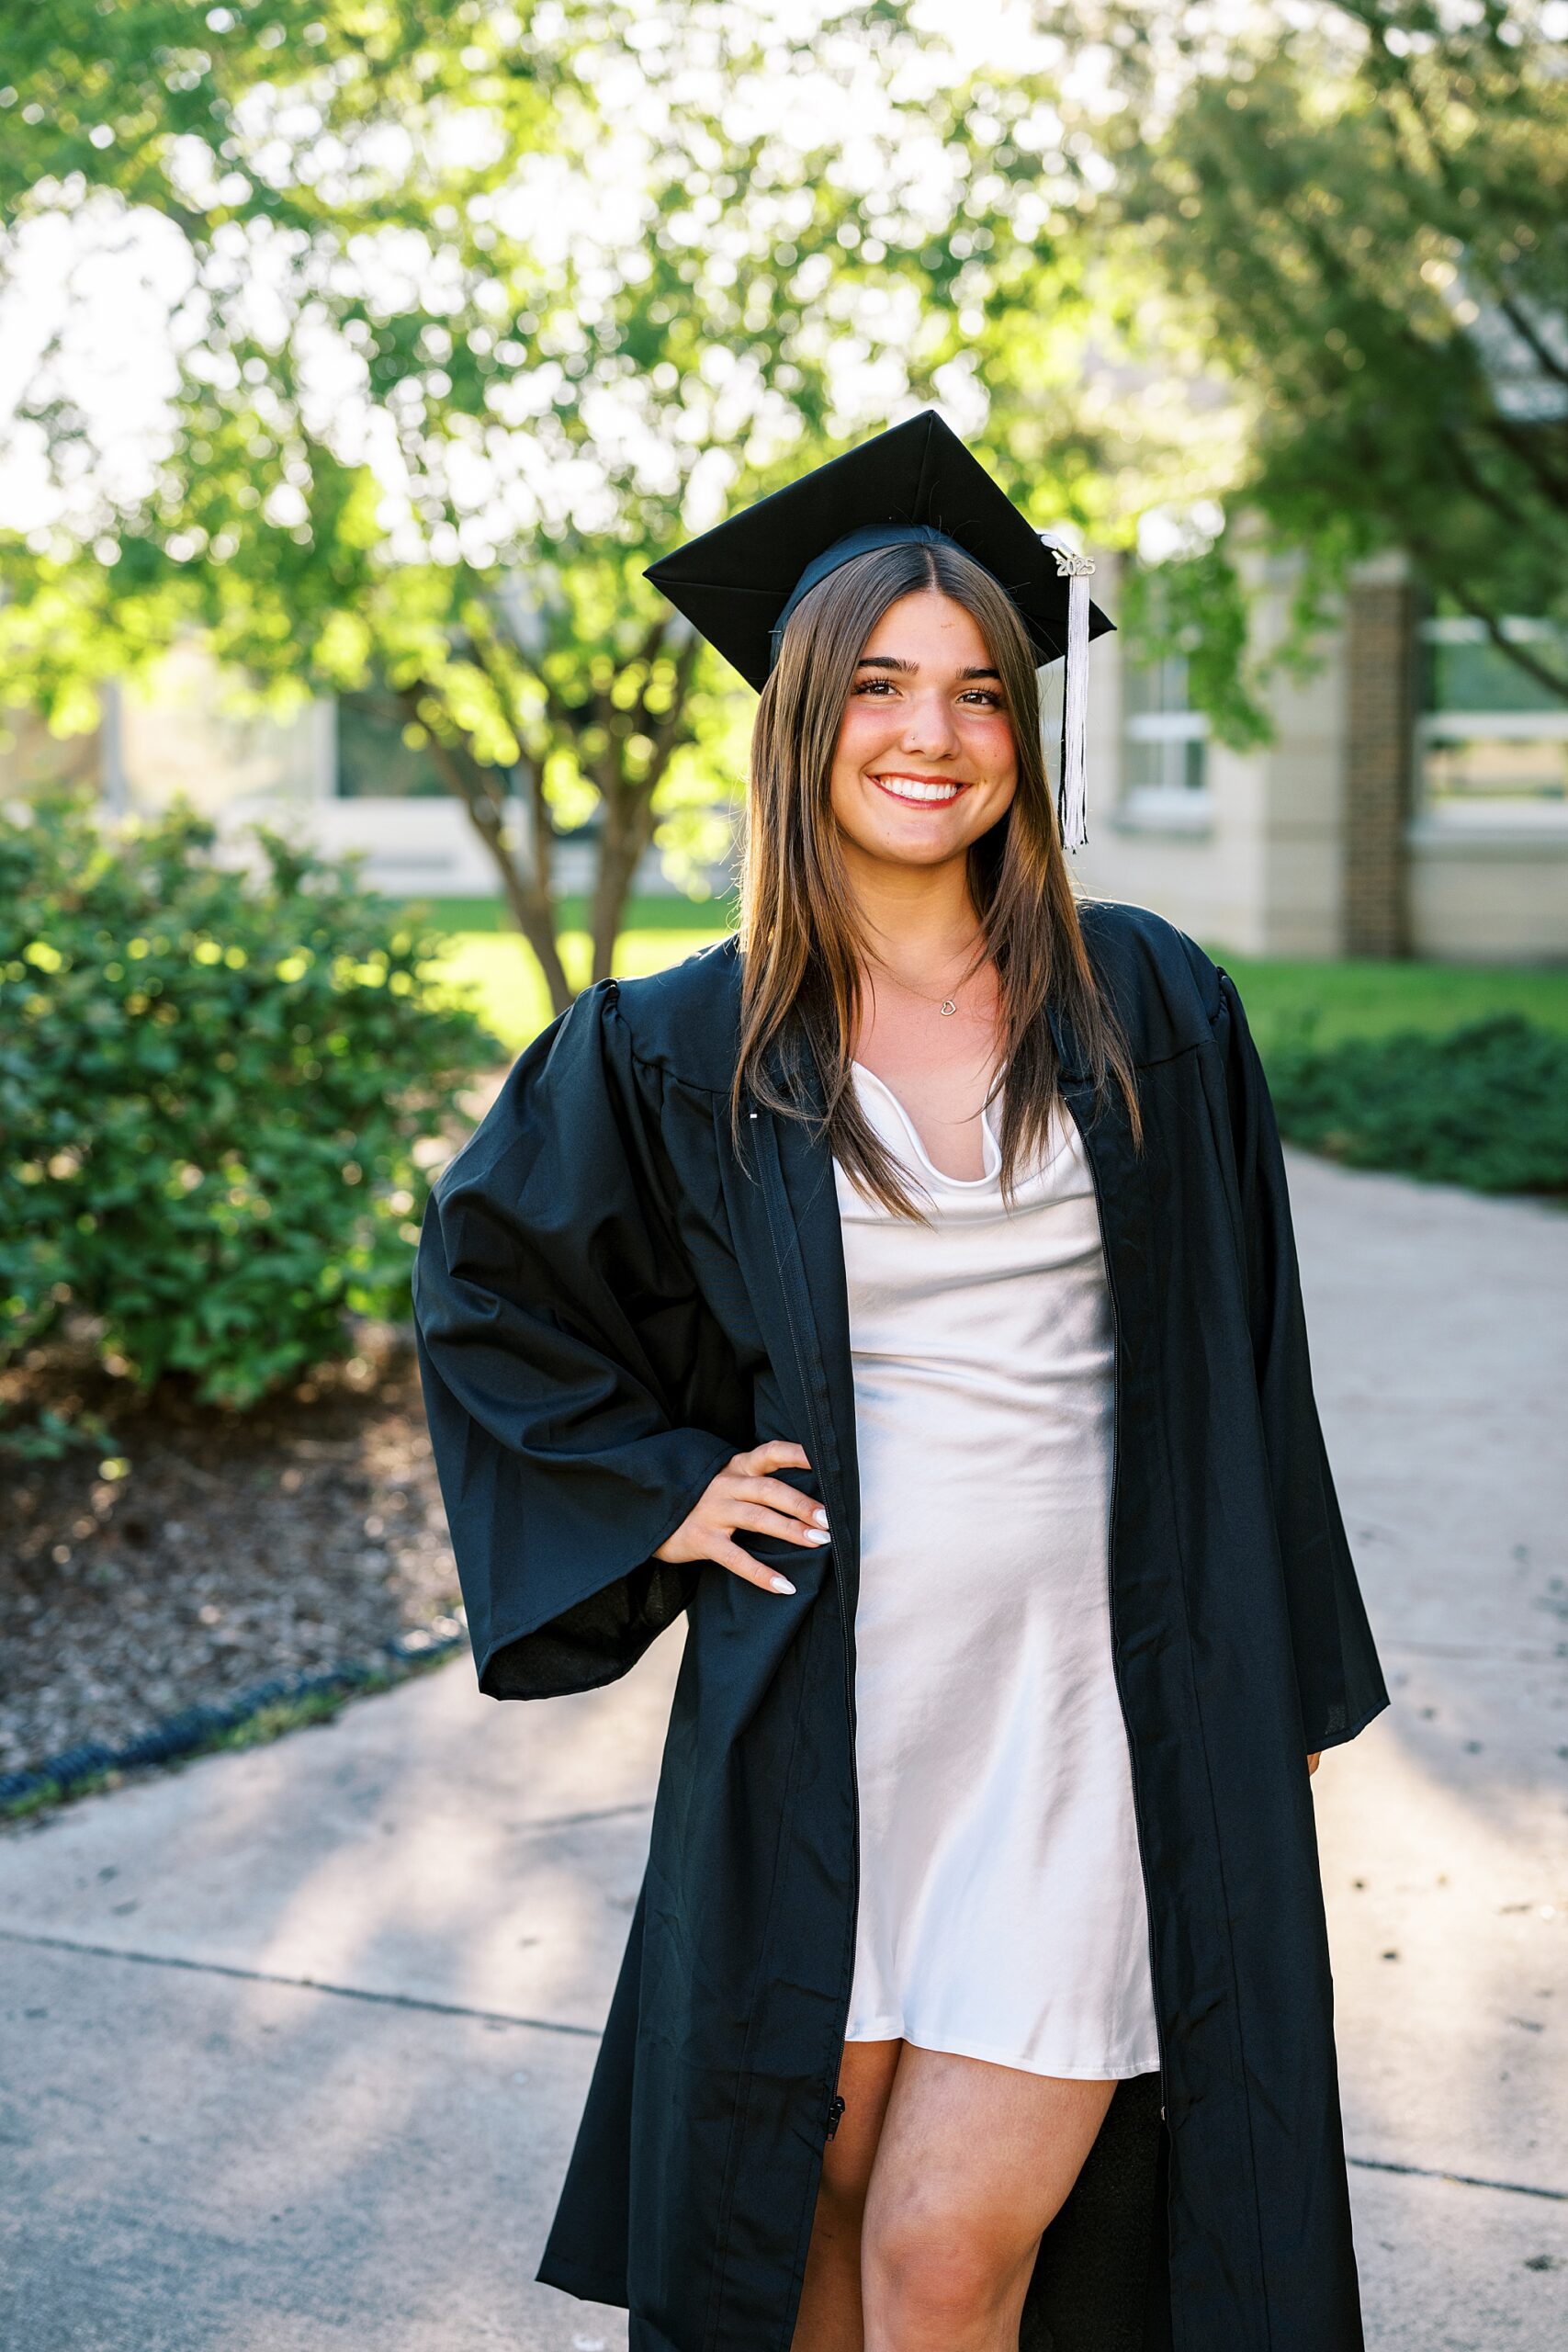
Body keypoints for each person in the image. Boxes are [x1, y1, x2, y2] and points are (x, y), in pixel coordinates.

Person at [412, 412, 1390, 2352]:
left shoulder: (1149, 1007)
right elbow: (487, 1288)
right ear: (797, 721)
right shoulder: (674, 1041)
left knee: (946, 2256)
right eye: (874, 685)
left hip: (1102, 1715)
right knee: (802, 2238)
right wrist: (658, 1481)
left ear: (1022, 738)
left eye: (976, 693)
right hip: (824, 1717)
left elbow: (1254, 1362)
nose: (928, 733)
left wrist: (1278, 1677)